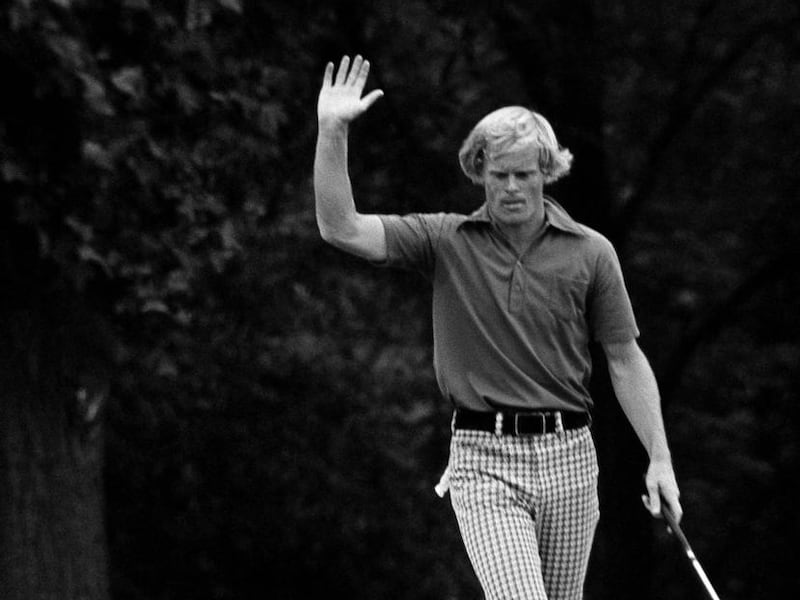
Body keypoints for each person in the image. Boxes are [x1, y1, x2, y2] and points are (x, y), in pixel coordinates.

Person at [314, 55, 682, 600]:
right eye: (498, 174)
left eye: (524, 174)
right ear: (479, 172)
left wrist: (660, 459)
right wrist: (332, 132)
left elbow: (625, 360)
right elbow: (340, 227)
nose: (510, 187)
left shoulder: (591, 252)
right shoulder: (445, 239)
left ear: (547, 173)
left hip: (570, 458)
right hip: (482, 459)